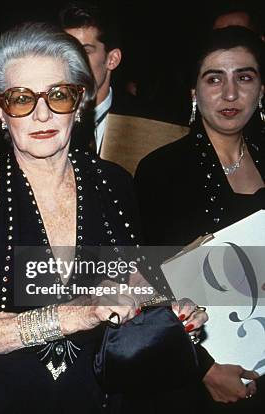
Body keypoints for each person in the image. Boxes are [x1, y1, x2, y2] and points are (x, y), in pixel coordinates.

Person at [0, 22, 207, 414]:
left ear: (80, 102)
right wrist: (76, 314)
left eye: (59, 95)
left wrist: (172, 310)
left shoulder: (113, 184)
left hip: (101, 398)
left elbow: (132, 283)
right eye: (21, 99)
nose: (42, 114)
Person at [135, 26, 264, 412]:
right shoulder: (161, 171)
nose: (230, 93)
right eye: (214, 79)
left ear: (262, 89)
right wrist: (203, 369)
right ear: (194, 93)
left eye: (244, 77)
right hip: (200, 383)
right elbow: (145, 286)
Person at [58, 1, 140, 154]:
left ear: (112, 59)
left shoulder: (143, 122)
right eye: (65, 52)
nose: (72, 63)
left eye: (84, 52)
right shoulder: (48, 118)